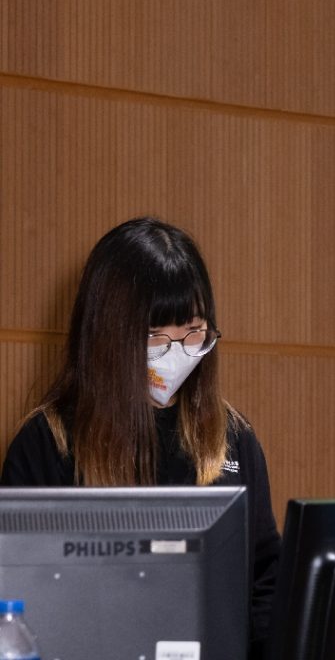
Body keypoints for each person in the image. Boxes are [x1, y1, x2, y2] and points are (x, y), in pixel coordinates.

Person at [0, 217, 280, 659]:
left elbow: (265, 582)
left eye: (193, 331)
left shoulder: (231, 437)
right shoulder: (48, 442)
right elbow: (23, 596)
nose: (178, 352)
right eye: (155, 337)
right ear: (108, 336)